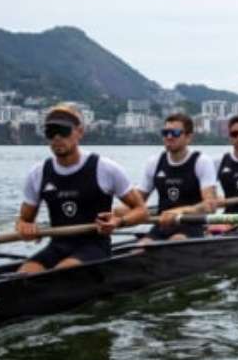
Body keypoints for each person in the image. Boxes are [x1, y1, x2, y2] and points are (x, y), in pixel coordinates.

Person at [15, 105, 148, 273]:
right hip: (57, 247)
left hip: (94, 247)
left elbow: (142, 211)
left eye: (63, 131)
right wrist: (24, 228)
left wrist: (119, 221)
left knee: (59, 275)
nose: (56, 137)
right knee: (22, 276)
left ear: (79, 132)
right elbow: (23, 220)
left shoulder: (105, 168)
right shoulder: (38, 173)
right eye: (50, 131)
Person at [132, 113, 218, 242]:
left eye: (175, 133)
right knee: (140, 248)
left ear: (188, 137)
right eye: (166, 132)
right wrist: (116, 215)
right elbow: (136, 203)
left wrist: (181, 211)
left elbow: (210, 205)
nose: (169, 137)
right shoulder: (154, 163)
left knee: (176, 241)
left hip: (192, 226)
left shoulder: (201, 162)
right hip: (162, 226)